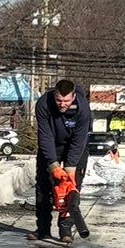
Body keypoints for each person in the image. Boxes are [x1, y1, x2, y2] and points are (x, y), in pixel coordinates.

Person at [33, 76, 93, 239]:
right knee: (43, 186)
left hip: (76, 148)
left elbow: (79, 140)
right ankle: (43, 229)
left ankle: (65, 229)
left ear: (73, 97)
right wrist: (53, 166)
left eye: (66, 101)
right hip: (51, 144)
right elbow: (44, 136)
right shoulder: (43, 104)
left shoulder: (82, 109)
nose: (62, 104)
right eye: (59, 100)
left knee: (71, 189)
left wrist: (70, 170)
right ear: (54, 96)